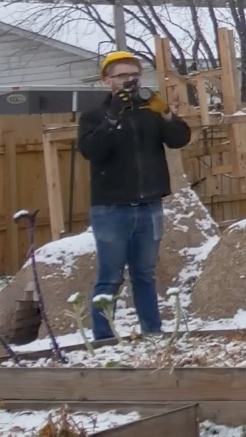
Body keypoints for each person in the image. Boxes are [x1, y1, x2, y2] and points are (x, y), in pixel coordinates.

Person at [77, 49, 191, 340]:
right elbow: (92, 151)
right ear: (107, 81)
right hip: (111, 208)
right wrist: (113, 116)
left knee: (144, 274)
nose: (130, 81)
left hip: (149, 204)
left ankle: (152, 333)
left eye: (135, 75)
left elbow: (180, 139)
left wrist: (165, 113)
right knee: (110, 277)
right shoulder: (95, 116)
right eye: (123, 76)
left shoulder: (149, 112)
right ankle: (104, 339)